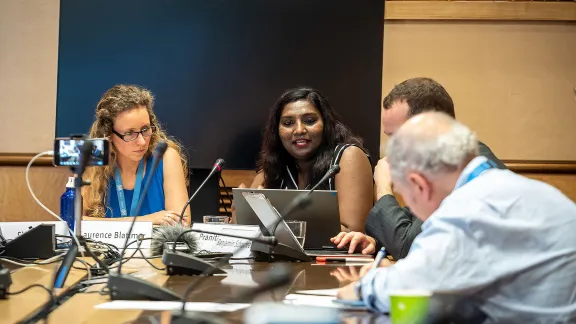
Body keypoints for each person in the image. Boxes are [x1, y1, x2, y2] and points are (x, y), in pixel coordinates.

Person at [337, 112, 576, 322]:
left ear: (420, 185)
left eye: (405, 196)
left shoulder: (467, 211)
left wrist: (361, 287)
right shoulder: (524, 189)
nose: (409, 205)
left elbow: (404, 290)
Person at [332, 77, 506, 258]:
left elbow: (412, 249)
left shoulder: (466, 169)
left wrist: (384, 188)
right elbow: (417, 223)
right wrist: (375, 243)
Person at [232, 86, 374, 233]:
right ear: (277, 131)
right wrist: (240, 215)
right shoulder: (275, 164)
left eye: (309, 120)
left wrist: (272, 220)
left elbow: (352, 232)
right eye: (288, 123)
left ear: (326, 124)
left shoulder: (348, 156)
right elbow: (247, 228)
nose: (299, 130)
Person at [82, 85, 190, 225]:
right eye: (129, 133)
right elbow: (74, 221)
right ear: (108, 135)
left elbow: (182, 223)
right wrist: (146, 221)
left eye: (145, 129)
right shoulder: (94, 156)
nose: (141, 141)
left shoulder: (166, 156)